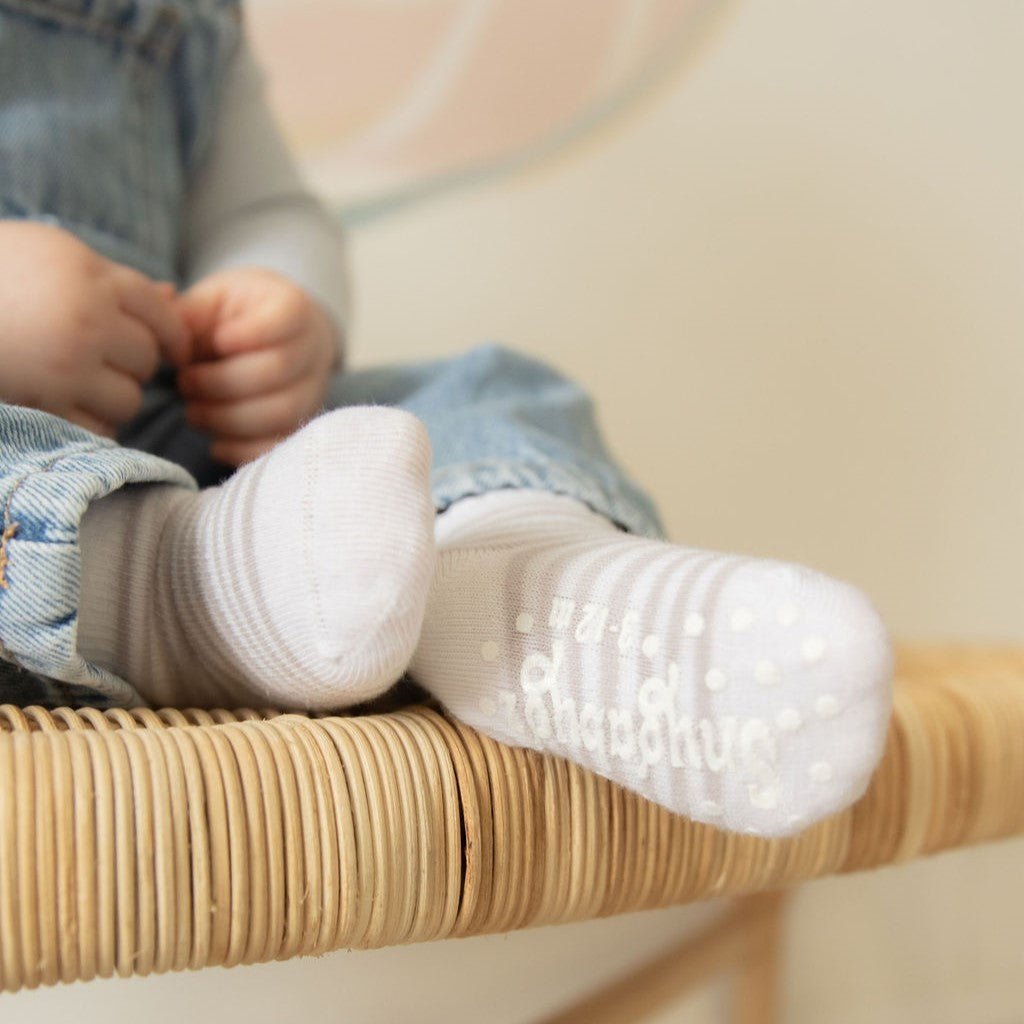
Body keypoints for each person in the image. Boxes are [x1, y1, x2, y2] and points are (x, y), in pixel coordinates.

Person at [0, 0, 892, 838]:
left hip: (197, 451)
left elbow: (266, 209)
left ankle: (524, 587)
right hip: (51, 556)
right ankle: (186, 593)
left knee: (483, 386)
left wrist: (278, 305)